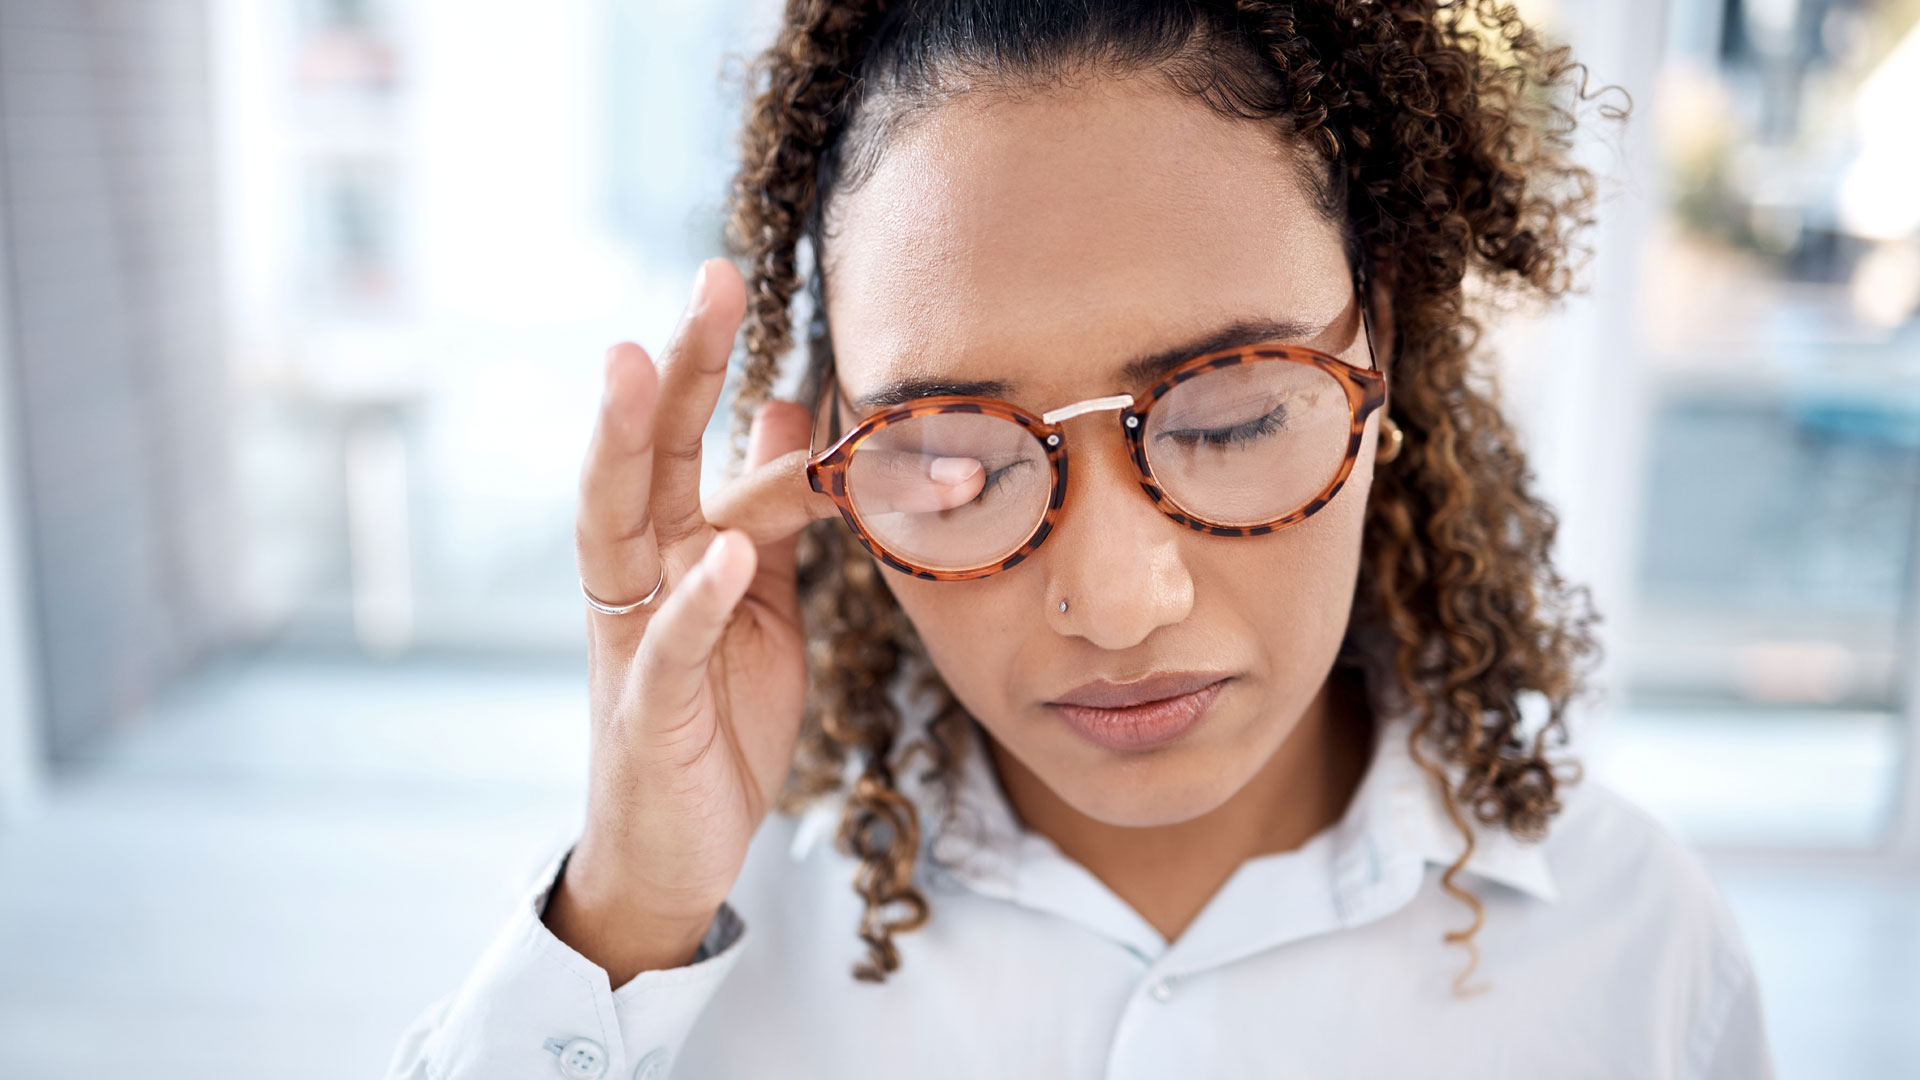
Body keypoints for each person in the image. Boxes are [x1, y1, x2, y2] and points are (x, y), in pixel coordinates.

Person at [387, 1, 1775, 1077]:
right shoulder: (677, 951)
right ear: (833, 457)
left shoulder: (1634, 953)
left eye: (1229, 420)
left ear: (1388, 347)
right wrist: (629, 913)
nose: (1117, 605)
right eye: (955, 449)